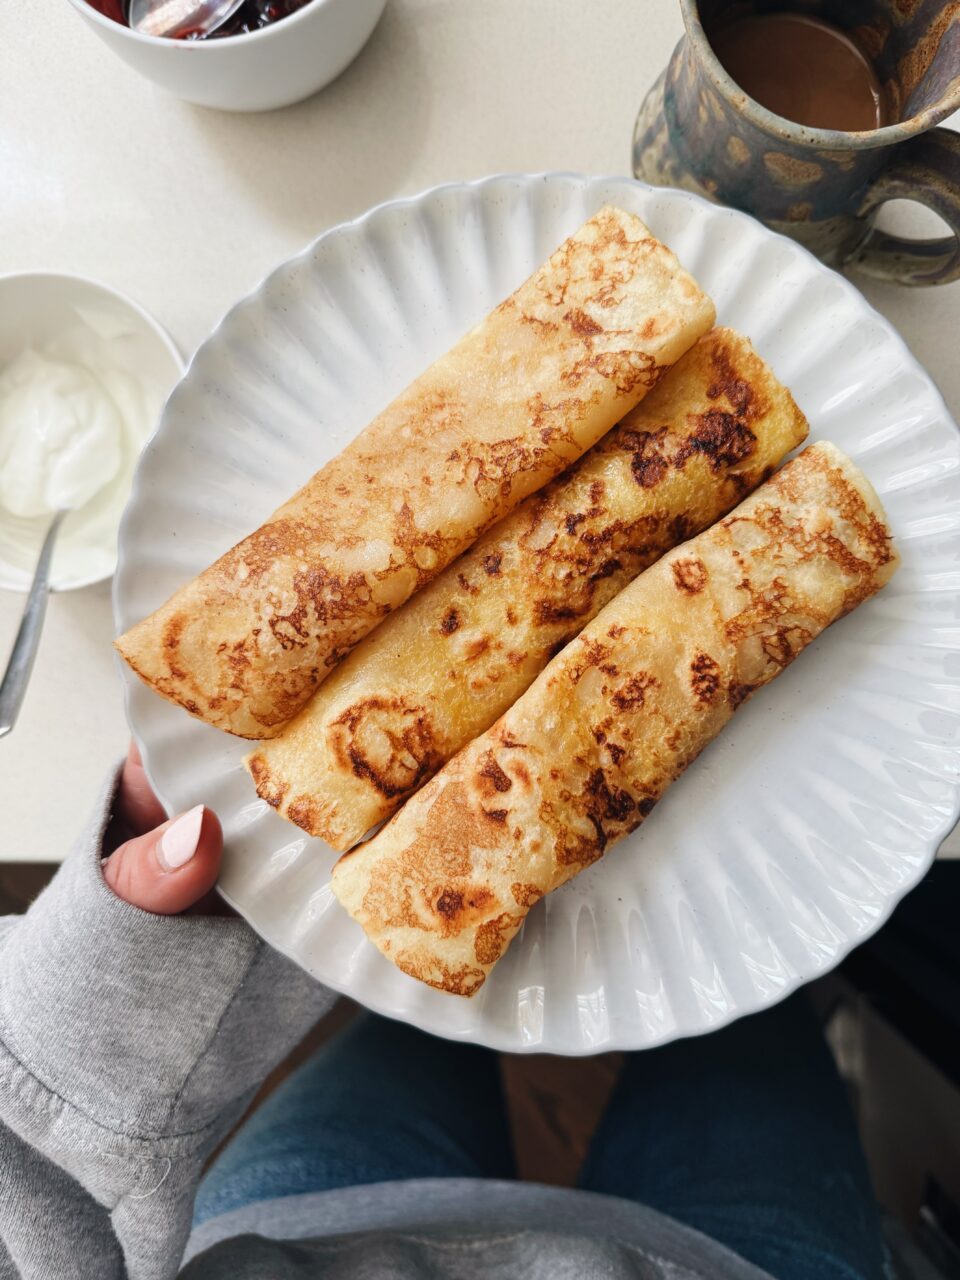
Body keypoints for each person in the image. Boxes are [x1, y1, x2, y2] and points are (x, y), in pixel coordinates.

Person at [0, 745, 890, 1279]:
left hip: (314, 1234)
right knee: (747, 988)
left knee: (415, 977)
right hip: (722, 1265)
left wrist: (60, 1094)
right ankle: (799, 989)